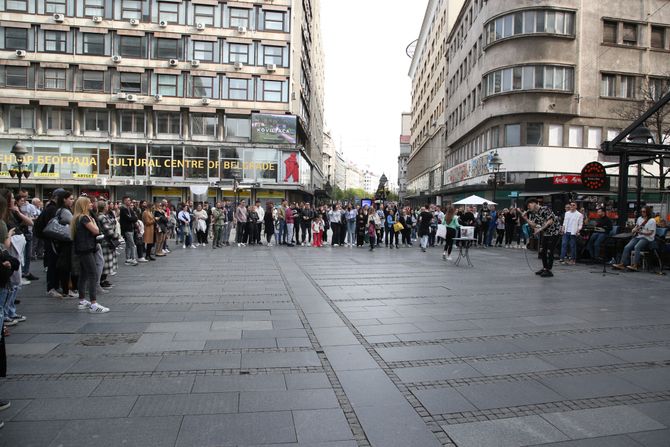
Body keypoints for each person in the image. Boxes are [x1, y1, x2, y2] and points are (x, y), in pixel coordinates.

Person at [71, 197, 109, 313]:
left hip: (82, 249)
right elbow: (96, 231)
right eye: (89, 203)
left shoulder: (77, 218)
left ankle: (82, 300)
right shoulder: (85, 218)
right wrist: (93, 221)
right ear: (84, 205)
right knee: (92, 274)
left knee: (83, 275)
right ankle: (93, 303)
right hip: (87, 249)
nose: (92, 204)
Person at [519, 198, 561, 277]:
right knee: (542, 251)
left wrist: (540, 229)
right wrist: (525, 218)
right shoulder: (535, 213)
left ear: (535, 203)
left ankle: (549, 270)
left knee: (550, 251)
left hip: (555, 232)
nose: (528, 207)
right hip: (546, 233)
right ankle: (545, 268)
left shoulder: (545, 209)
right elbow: (534, 224)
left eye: (529, 205)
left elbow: (550, 221)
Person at [612, 206, 656, 271]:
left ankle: (635, 265)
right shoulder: (639, 219)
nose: (642, 213)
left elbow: (650, 233)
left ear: (648, 212)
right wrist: (634, 229)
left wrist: (640, 232)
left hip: (647, 238)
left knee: (637, 247)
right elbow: (637, 226)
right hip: (638, 236)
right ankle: (622, 264)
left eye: (644, 211)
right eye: (641, 211)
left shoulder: (652, 220)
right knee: (627, 247)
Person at [96, 200, 119, 288]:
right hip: (106, 242)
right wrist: (116, 235)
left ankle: (104, 279)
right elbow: (108, 231)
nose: (108, 206)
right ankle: (102, 280)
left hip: (107, 241)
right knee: (105, 262)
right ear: (104, 207)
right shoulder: (102, 217)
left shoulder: (104, 216)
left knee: (107, 261)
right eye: (106, 205)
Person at [119, 196, 138, 265]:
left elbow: (135, 217)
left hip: (131, 228)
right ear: (124, 201)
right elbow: (129, 219)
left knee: (128, 244)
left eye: (130, 200)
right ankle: (133, 258)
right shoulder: (123, 209)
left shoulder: (130, 209)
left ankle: (128, 259)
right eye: (127, 200)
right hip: (127, 229)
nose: (129, 201)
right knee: (132, 244)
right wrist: (133, 218)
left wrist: (133, 218)